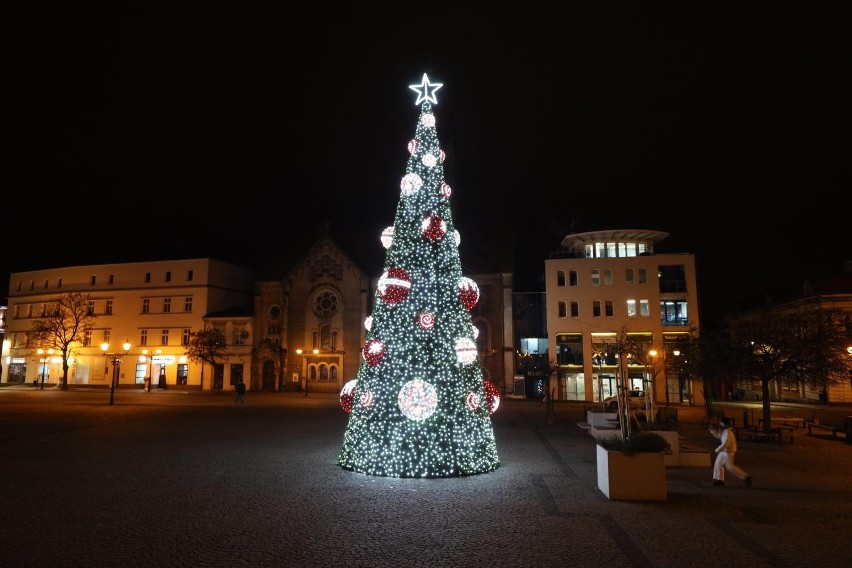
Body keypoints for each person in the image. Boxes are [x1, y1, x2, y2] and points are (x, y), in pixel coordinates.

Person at [710, 418, 751, 487]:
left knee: (730, 467)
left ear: (724, 424)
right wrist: (713, 432)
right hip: (725, 451)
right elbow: (719, 438)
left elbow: (725, 444)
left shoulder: (728, 432)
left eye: (721, 423)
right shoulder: (725, 431)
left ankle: (746, 477)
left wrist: (717, 450)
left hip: (728, 452)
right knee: (718, 464)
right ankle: (720, 481)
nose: (720, 424)